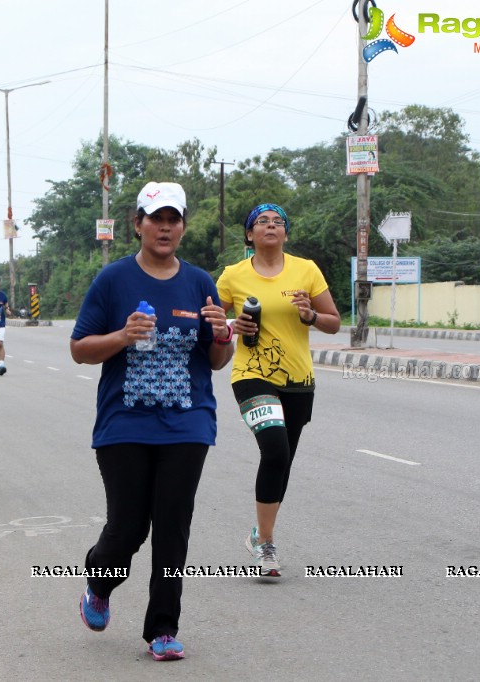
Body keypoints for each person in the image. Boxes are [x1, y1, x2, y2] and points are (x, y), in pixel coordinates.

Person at [70, 182, 233, 661]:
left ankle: (163, 628)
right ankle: (99, 580)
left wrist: (222, 333)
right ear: (137, 224)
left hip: (188, 423)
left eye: (173, 219)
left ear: (182, 226)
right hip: (124, 424)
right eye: (155, 218)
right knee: (127, 529)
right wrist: (121, 335)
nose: (165, 227)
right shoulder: (113, 281)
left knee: (172, 527)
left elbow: (217, 359)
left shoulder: (201, 282)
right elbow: (80, 349)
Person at [216, 203, 341, 577]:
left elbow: (333, 322)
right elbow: (212, 325)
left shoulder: (306, 270)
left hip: (298, 381)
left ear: (285, 233)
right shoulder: (232, 276)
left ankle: (260, 534)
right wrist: (232, 325)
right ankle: (267, 548)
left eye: (278, 222)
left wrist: (311, 316)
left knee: (282, 459)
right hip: (251, 375)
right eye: (262, 222)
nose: (270, 226)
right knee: (274, 448)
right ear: (249, 234)